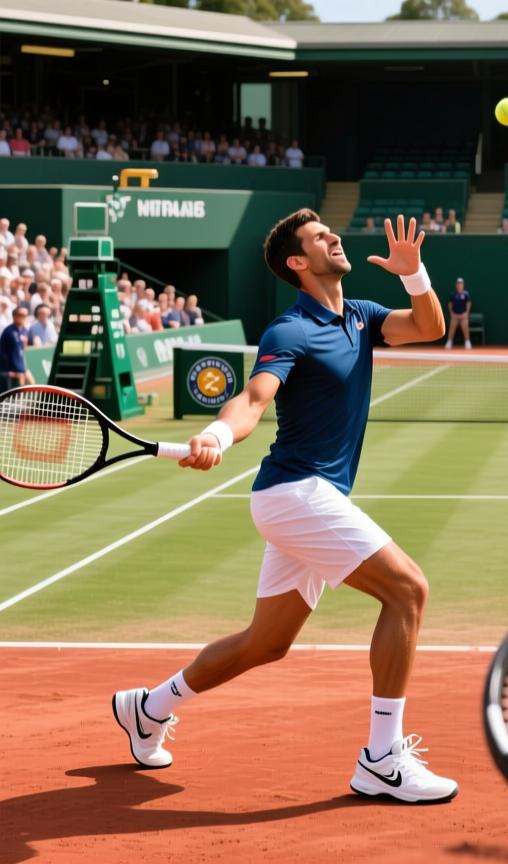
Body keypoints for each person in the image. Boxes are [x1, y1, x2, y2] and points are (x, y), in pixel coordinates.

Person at [111, 211, 458, 804]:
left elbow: (428, 327)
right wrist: (217, 437)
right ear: (298, 263)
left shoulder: (362, 317)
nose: (334, 237)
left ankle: (147, 707)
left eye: (331, 231)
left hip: (306, 497)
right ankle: (381, 758)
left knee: (266, 644)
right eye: (319, 236)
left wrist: (415, 273)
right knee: (408, 589)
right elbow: (252, 399)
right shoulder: (289, 331)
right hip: (297, 493)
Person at [0, 306, 33, 392]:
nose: (23, 317)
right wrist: (17, 371)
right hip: (9, 369)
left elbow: (21, 352)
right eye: (20, 315)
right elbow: (9, 354)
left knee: (33, 385)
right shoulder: (9, 332)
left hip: (20, 367)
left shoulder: (24, 330)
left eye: (25, 315)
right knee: (18, 392)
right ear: (14, 316)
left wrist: (24, 368)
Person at [445, 277, 472, 349]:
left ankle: (467, 342)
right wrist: (452, 313)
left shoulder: (466, 294)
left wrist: (466, 313)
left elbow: (468, 304)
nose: (459, 285)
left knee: (465, 328)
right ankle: (449, 342)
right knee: (452, 328)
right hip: (455, 316)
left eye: (461, 283)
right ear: (456, 285)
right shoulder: (453, 294)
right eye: (458, 283)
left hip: (463, 316)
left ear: (463, 285)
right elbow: (450, 304)